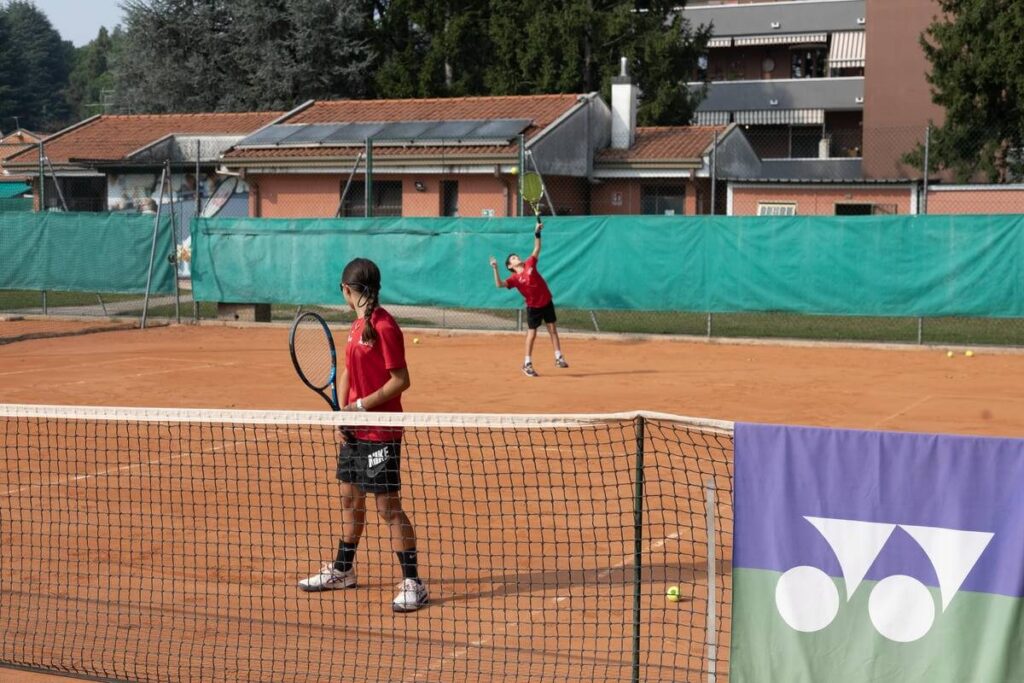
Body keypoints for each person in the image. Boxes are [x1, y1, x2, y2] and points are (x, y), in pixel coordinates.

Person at [298, 257, 429, 613]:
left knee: (387, 507)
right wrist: (343, 413)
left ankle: (413, 582)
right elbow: (347, 372)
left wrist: (361, 407)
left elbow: (401, 380)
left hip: (382, 431)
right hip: (356, 428)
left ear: (346, 289)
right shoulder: (357, 326)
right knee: (349, 500)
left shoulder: (386, 327)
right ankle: (343, 569)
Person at [489, 218, 568, 377]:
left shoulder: (529, 264)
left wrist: (537, 232)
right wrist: (495, 269)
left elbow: (537, 247)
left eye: (516, 256)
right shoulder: (514, 279)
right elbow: (499, 284)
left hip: (546, 301)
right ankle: (527, 363)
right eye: (513, 258)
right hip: (533, 307)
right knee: (532, 334)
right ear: (510, 266)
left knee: (552, 329)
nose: (516, 257)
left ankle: (558, 357)